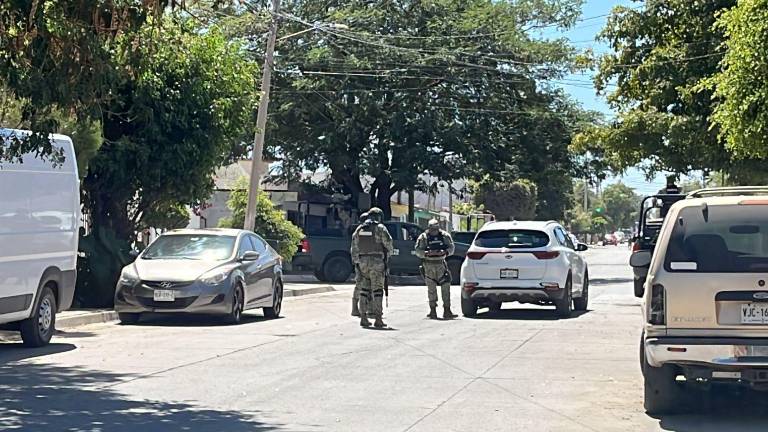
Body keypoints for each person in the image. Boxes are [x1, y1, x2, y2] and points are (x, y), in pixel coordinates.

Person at [350, 207, 393, 328]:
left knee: (364, 290)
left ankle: (363, 317)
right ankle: (378, 318)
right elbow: (389, 244)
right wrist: (386, 257)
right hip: (377, 262)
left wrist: (358, 263)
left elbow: (354, 248)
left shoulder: (360, 229)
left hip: (363, 263)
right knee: (378, 290)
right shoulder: (380, 228)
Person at [415, 219, 457, 319]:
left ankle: (447, 310)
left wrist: (444, 252)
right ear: (428, 228)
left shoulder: (445, 236)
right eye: (432, 229)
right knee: (431, 289)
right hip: (428, 265)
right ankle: (432, 310)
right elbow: (417, 251)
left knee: (445, 287)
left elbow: (452, 248)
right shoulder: (423, 237)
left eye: (435, 229)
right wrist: (426, 253)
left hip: (441, 264)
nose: (434, 231)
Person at [351, 212, 369, 317]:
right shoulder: (360, 231)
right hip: (361, 262)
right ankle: (355, 307)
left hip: (362, 261)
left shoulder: (361, 231)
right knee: (360, 285)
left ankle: (364, 308)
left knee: (364, 285)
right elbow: (354, 249)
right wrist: (357, 262)